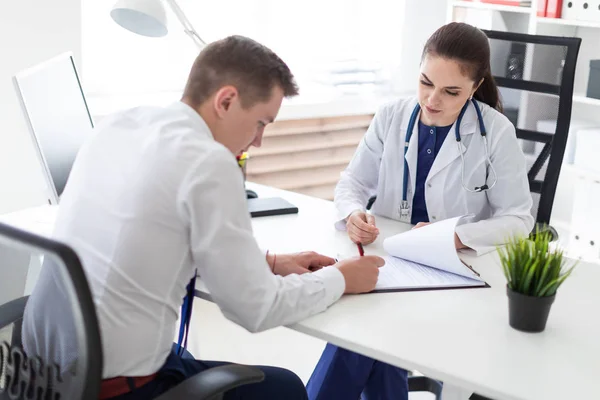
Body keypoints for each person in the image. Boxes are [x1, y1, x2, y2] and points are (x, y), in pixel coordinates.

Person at [21, 35, 385, 400]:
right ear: (226, 100)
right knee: (285, 389)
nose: (258, 140)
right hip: (114, 390)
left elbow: (150, 237)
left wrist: (271, 262)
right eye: (260, 122)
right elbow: (256, 309)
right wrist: (340, 278)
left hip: (40, 375)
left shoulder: (120, 126)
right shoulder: (209, 163)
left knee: (190, 359)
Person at [306, 22, 534, 400]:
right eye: (425, 82)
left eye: (450, 91)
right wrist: (353, 215)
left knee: (362, 335)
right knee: (370, 334)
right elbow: (353, 183)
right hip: (392, 260)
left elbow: (519, 219)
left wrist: (456, 236)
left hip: (453, 273)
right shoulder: (392, 116)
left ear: (475, 87)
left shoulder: (495, 132)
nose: (431, 100)